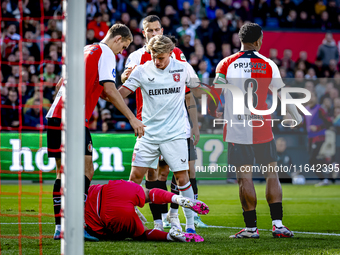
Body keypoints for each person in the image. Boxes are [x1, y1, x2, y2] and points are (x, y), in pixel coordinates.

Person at [46, 24, 145, 241]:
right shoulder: (106, 52)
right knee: (87, 169)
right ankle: (75, 225)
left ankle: (60, 227)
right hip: (72, 119)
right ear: (118, 39)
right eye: (124, 47)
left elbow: (62, 84)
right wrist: (132, 118)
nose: (122, 52)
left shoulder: (85, 50)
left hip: (55, 114)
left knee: (62, 174)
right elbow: (109, 90)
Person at [208, 23, 302, 238]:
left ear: (240, 40)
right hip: (262, 127)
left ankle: (251, 229)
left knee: (244, 178)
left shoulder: (225, 64)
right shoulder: (269, 64)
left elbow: (214, 94)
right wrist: (295, 116)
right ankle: (278, 225)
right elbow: (282, 94)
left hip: (237, 130)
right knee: (272, 174)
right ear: (259, 40)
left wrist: (214, 111)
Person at [121, 15, 206, 231]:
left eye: (157, 29)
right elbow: (121, 91)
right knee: (140, 176)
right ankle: (151, 221)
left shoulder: (181, 64)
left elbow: (195, 90)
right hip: (148, 130)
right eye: (154, 57)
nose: (157, 62)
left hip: (176, 132)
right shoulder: (138, 63)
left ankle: (187, 224)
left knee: (182, 175)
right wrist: (103, 90)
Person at [84, 180, 209, 242]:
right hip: (107, 190)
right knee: (148, 193)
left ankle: (170, 236)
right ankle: (177, 198)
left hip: (104, 215)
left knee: (142, 233)